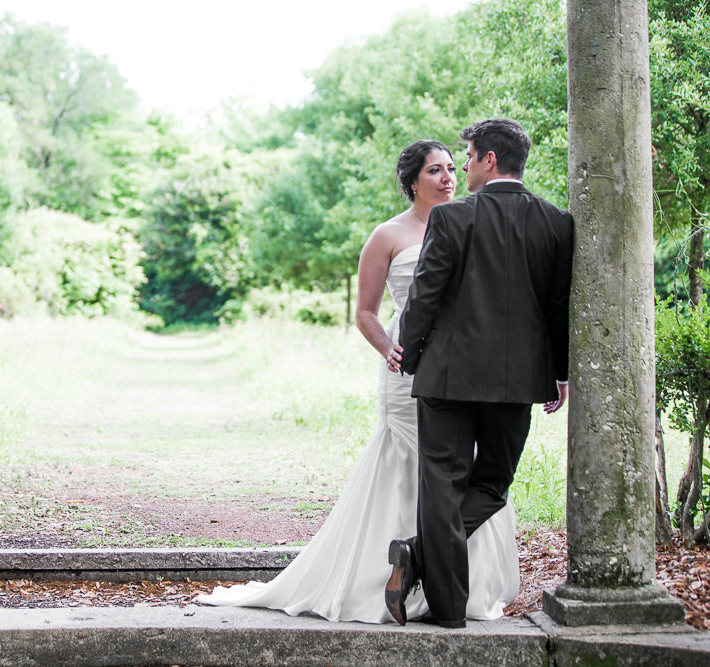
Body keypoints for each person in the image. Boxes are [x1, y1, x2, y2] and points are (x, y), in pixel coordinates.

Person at [197, 140, 519, 623]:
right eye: (435, 170)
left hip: (463, 372)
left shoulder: (473, 224)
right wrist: (387, 348)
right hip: (407, 367)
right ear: (413, 181)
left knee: (464, 472)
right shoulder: (387, 235)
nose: (448, 177)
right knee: (406, 469)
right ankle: (377, 578)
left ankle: (439, 577)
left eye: (453, 168)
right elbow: (365, 313)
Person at [385, 119, 574, 629]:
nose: (463, 166)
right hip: (517, 384)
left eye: (467, 156)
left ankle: (443, 604)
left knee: (443, 486)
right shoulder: (557, 223)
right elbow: (560, 308)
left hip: (447, 377)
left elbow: (423, 299)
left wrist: (412, 356)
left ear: (489, 159)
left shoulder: (451, 219)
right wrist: (560, 373)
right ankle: (417, 555)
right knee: (491, 484)